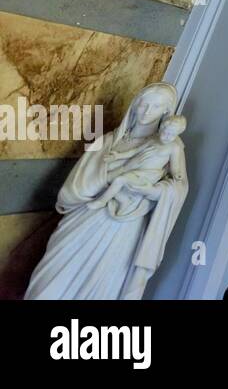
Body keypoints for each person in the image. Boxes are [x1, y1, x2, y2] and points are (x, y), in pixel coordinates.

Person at [26, 83, 188, 300]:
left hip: (122, 228)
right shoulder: (107, 140)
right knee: (45, 289)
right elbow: (71, 190)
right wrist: (112, 175)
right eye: (143, 104)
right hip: (83, 220)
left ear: (166, 112)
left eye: (155, 107)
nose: (146, 111)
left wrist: (154, 191)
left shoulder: (169, 147)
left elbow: (179, 186)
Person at [87, 115, 187, 212]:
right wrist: (118, 156)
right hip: (135, 170)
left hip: (148, 176)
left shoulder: (174, 148)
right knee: (107, 180)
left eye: (172, 135)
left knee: (120, 180)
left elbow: (175, 167)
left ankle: (102, 201)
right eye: (166, 133)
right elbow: (134, 151)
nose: (167, 137)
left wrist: (177, 174)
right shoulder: (153, 140)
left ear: (177, 135)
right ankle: (124, 200)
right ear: (161, 129)